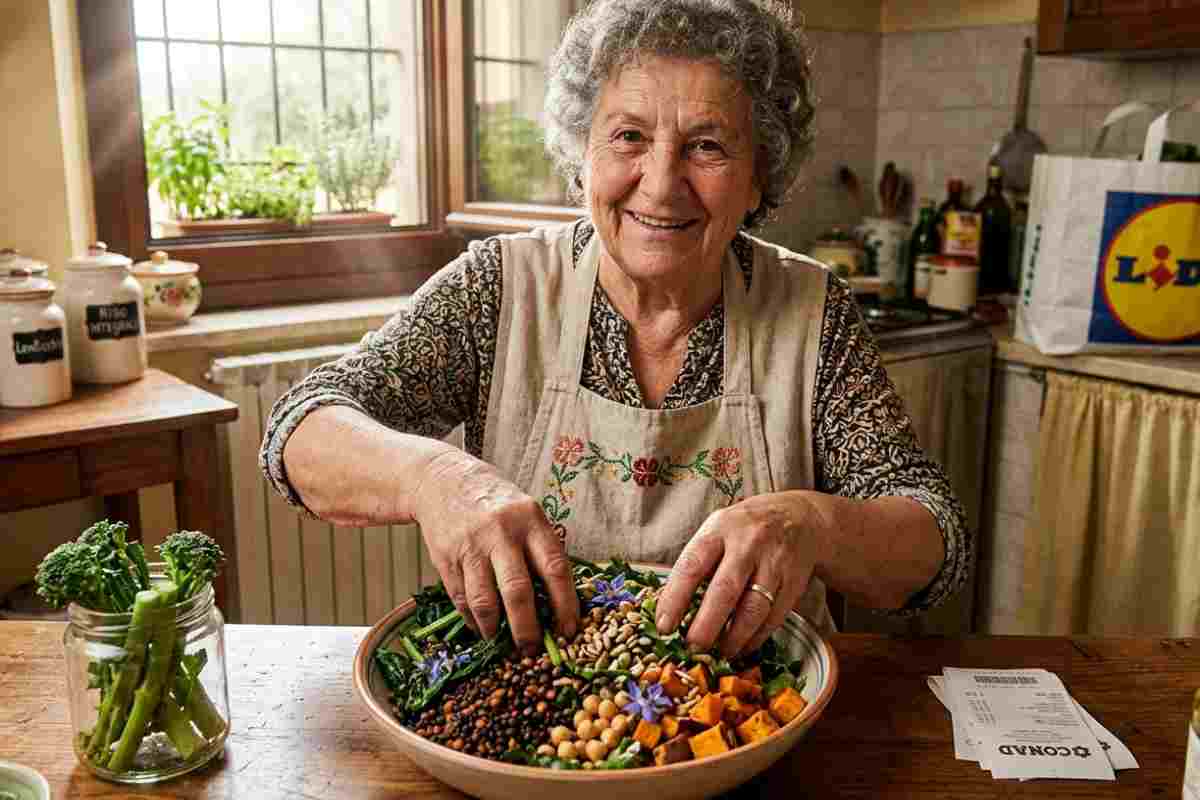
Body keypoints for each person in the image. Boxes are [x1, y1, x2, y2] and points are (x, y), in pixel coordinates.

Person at [260, 0, 968, 660]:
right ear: (582, 155)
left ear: (759, 178)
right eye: (629, 136)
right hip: (535, 730)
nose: (660, 184)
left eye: (708, 146)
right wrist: (433, 479)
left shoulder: (813, 311)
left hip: (759, 717)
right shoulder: (500, 289)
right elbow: (300, 428)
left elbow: (932, 541)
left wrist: (812, 526)